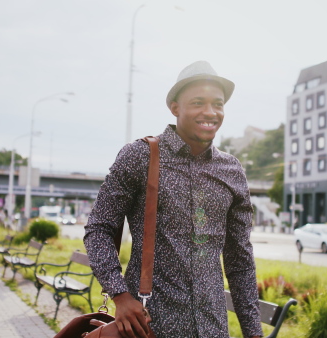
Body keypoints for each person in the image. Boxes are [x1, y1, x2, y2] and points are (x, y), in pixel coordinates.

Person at [84, 61, 262, 338]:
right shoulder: (139, 156)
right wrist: (119, 294)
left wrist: (254, 333)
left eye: (218, 104)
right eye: (198, 102)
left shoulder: (232, 171)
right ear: (175, 107)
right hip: (148, 325)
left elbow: (240, 260)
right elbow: (99, 229)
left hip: (211, 328)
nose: (210, 112)